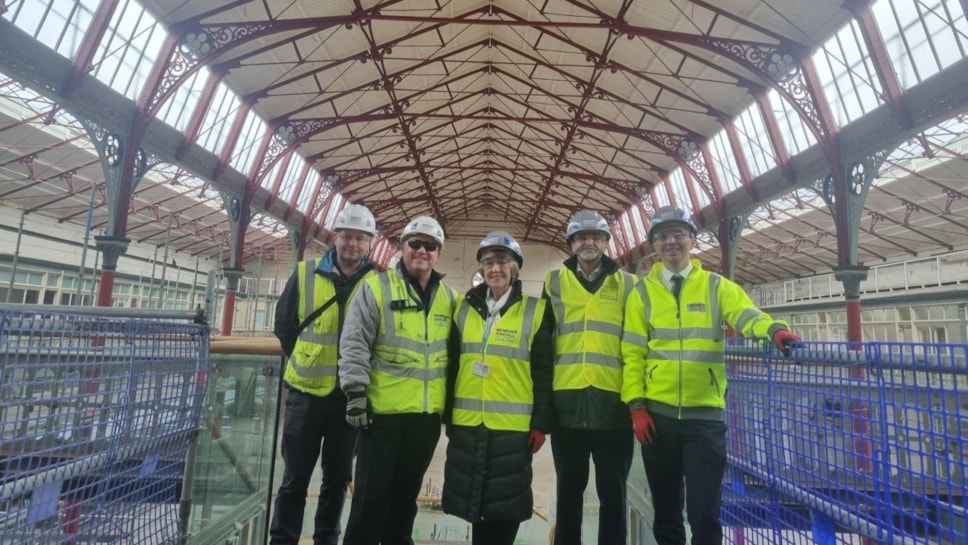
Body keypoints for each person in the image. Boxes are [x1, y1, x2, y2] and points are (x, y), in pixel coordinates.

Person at [621, 205, 802, 545]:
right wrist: (636, 406)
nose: (671, 241)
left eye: (678, 234)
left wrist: (774, 330)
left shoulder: (716, 286)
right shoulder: (641, 294)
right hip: (657, 418)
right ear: (653, 246)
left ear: (692, 239)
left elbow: (746, 314)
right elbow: (632, 354)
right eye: (662, 236)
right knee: (666, 509)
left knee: (705, 511)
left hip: (704, 418)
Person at [338, 215, 459, 545]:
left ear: (438, 253)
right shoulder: (376, 287)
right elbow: (354, 341)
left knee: (405, 503)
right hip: (381, 417)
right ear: (402, 247)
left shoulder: (449, 298)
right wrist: (355, 393)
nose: (422, 250)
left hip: (424, 419)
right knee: (369, 501)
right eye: (415, 243)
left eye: (430, 245)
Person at [269, 204, 378, 545]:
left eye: (361, 238)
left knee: (336, 480)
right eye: (347, 236)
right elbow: (283, 326)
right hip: (305, 396)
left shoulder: (378, 283)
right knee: (294, 480)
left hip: (349, 399)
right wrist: (306, 359)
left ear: (370, 243)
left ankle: (326, 539)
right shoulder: (305, 274)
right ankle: (283, 539)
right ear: (336, 237)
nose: (353, 245)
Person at [441, 231, 554, 545]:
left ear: (515, 268)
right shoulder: (463, 308)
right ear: (481, 268)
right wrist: (448, 416)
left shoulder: (535, 311)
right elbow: (452, 366)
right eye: (488, 262)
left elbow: (544, 374)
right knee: (474, 506)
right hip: (467, 424)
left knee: (505, 509)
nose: (495, 269)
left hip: (513, 429)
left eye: (503, 262)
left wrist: (541, 424)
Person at [543, 209, 638, 545]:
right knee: (568, 493)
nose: (588, 242)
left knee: (613, 495)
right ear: (571, 243)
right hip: (566, 407)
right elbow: (543, 344)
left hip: (614, 406)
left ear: (606, 242)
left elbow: (639, 343)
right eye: (581, 237)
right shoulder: (553, 282)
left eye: (595, 236)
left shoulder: (628, 284)